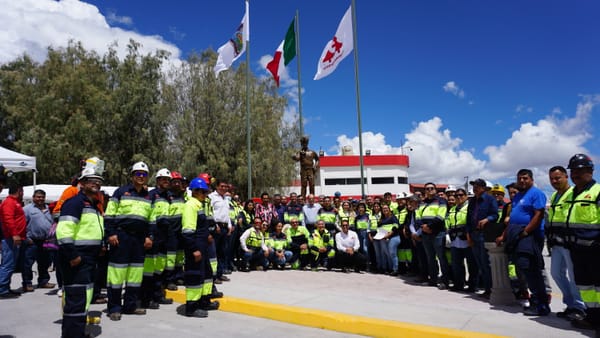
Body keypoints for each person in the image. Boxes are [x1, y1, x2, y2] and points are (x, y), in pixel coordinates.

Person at [56, 168, 104, 338]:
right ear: (82, 184)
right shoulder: (75, 203)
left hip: (89, 258)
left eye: (98, 180)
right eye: (91, 180)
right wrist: (73, 255)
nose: (96, 183)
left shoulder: (93, 205)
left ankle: (78, 333)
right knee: (76, 301)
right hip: (77, 259)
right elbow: (63, 232)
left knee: (83, 299)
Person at [105, 161, 153, 320]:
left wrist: (149, 236)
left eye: (144, 174)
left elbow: (152, 220)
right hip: (121, 237)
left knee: (135, 275)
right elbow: (109, 215)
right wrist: (111, 233)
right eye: (138, 174)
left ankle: (130, 306)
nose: (141, 177)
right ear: (132, 176)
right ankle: (114, 308)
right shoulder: (120, 192)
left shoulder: (148, 196)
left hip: (139, 240)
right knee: (116, 275)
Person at [504, 169, 549, 316]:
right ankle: (535, 300)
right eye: (519, 178)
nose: (522, 181)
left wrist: (526, 231)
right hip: (517, 235)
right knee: (524, 268)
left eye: (525, 178)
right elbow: (513, 217)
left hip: (530, 236)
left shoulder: (536, 193)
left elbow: (539, 214)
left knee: (531, 269)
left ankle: (540, 303)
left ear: (531, 179)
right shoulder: (518, 196)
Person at [562, 154, 600, 331]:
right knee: (586, 287)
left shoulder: (597, 191)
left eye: (580, 170)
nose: (576, 174)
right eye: (573, 171)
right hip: (577, 251)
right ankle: (593, 319)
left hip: (596, 251)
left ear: (590, 171)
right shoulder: (572, 194)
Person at [545, 165, 586, 321]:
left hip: (570, 243)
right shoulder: (555, 196)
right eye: (552, 179)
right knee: (556, 273)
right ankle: (570, 304)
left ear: (565, 177)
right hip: (556, 243)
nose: (554, 181)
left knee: (574, 276)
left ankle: (580, 307)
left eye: (557, 178)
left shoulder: (574, 193)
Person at [181, 178, 218, 318]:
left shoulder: (199, 205)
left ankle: (204, 301)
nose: (204, 194)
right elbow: (188, 230)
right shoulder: (191, 205)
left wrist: (207, 236)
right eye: (201, 191)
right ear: (194, 191)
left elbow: (201, 226)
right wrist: (194, 249)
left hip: (203, 247)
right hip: (196, 248)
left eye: (205, 191)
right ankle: (192, 306)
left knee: (206, 275)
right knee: (195, 276)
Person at [142, 168, 173, 310]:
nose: (166, 182)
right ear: (158, 181)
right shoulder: (151, 195)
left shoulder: (168, 196)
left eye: (168, 180)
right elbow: (148, 216)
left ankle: (157, 295)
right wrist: (149, 235)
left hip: (164, 237)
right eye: (164, 179)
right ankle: (146, 298)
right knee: (149, 269)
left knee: (160, 268)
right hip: (154, 236)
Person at [466, 178, 498, 299]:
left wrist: (487, 219)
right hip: (473, 235)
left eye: (477, 186)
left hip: (484, 235)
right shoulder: (472, 201)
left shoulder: (490, 199)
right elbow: (468, 219)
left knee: (486, 263)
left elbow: (495, 215)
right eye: (474, 186)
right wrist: (468, 235)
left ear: (483, 188)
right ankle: (486, 288)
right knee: (479, 263)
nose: (475, 188)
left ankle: (491, 289)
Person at [417, 183, 449, 288]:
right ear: (425, 191)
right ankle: (433, 280)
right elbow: (417, 217)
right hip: (426, 234)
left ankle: (445, 281)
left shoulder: (441, 201)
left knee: (441, 257)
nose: (429, 190)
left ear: (435, 190)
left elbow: (441, 216)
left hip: (438, 233)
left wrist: (430, 227)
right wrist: (423, 227)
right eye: (427, 189)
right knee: (430, 258)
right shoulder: (421, 203)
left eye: (431, 188)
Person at [22, 189, 55, 292]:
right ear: (33, 197)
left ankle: (43, 281)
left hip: (46, 241)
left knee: (44, 262)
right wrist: (26, 238)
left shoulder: (49, 209)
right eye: (38, 197)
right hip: (32, 241)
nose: (40, 199)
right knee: (28, 263)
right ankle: (27, 283)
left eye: (42, 197)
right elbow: (22, 225)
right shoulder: (27, 209)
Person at [446, 188, 477, 292]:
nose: (458, 197)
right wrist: (447, 234)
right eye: (456, 196)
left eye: (461, 195)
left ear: (466, 196)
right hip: (455, 239)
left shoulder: (470, 207)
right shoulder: (452, 209)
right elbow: (448, 222)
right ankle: (458, 284)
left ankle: (472, 285)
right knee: (456, 264)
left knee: (471, 264)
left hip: (467, 238)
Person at [0, 183, 25, 298]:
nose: (23, 193)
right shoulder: (9, 202)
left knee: (11, 264)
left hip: (14, 238)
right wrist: (15, 234)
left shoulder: (14, 202)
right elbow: (8, 219)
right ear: (19, 191)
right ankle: (2, 289)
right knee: (8, 264)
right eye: (22, 191)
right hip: (10, 239)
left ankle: (5, 287)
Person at [208, 179, 232, 284]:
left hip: (225, 227)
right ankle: (213, 276)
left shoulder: (226, 198)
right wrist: (215, 225)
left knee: (223, 252)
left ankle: (220, 273)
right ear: (217, 187)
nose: (223, 188)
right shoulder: (211, 197)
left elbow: (227, 213)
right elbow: (210, 212)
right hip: (216, 228)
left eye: (225, 186)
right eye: (221, 186)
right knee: (214, 252)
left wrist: (230, 225)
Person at [373, 204, 401, 276]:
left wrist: (389, 235)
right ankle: (389, 268)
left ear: (389, 209)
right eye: (383, 209)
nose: (385, 210)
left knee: (392, 253)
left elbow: (396, 226)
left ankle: (395, 269)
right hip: (384, 238)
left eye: (386, 208)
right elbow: (379, 229)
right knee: (386, 253)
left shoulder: (393, 217)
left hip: (393, 237)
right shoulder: (381, 219)